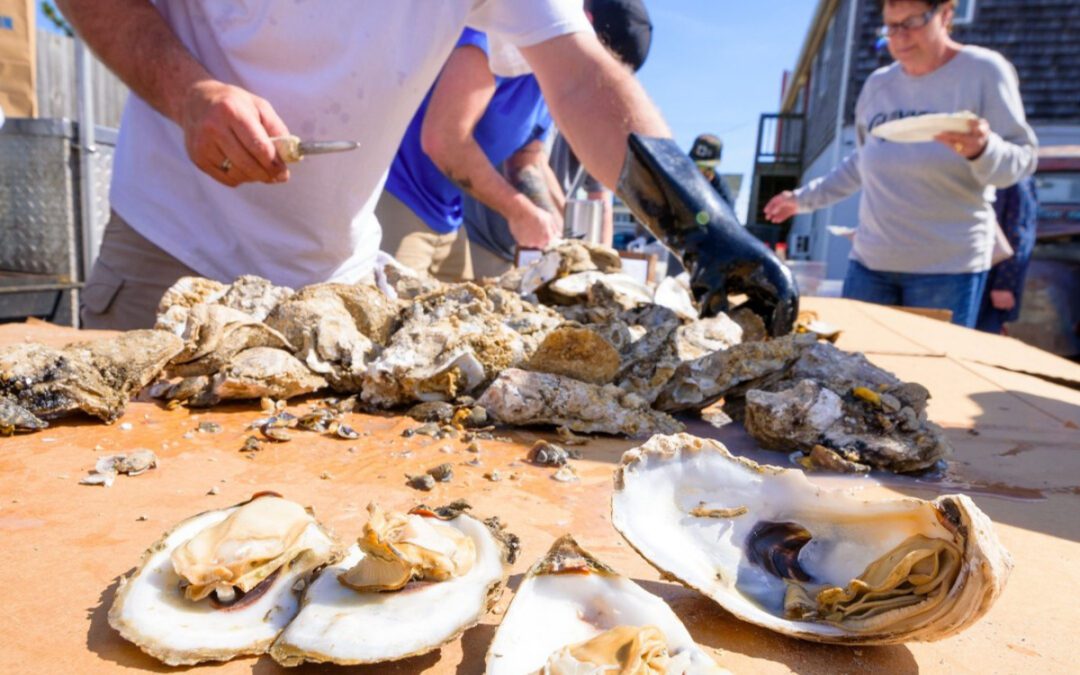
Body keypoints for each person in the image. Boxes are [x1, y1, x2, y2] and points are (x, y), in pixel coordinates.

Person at [61, 0, 796, 335]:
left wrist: (705, 227)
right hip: (171, 261)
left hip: (336, 289)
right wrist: (188, 93)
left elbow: (580, 78)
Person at [763, 0, 1037, 328]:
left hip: (947, 269)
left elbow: (1022, 161)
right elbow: (862, 162)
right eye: (892, 26)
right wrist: (802, 199)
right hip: (870, 263)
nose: (900, 36)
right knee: (855, 358)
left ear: (946, 15)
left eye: (913, 22)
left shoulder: (984, 71)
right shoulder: (878, 85)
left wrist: (983, 149)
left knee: (928, 362)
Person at [464, 0, 652, 279]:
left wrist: (601, 262)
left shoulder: (597, 110)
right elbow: (530, 164)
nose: (601, 86)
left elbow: (601, 201)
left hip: (542, 243)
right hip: (486, 238)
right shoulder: (534, 69)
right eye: (602, 70)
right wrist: (572, 238)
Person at [377, 28, 560, 282]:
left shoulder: (548, 85)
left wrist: (550, 226)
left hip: (450, 215)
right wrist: (519, 212)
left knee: (462, 306)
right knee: (388, 305)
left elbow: (524, 164)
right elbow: (443, 141)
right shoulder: (495, 40)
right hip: (397, 193)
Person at [977, 177, 1038, 334]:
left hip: (992, 282)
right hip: (976, 275)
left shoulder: (1015, 179)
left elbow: (1019, 233)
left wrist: (1004, 285)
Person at [690, 133, 736, 210]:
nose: (701, 172)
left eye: (708, 169)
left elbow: (727, 214)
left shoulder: (720, 189)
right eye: (697, 167)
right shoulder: (677, 176)